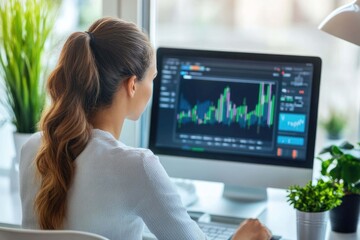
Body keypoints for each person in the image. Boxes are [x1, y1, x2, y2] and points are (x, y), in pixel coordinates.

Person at [19, 17, 272, 240]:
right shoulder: (136, 166)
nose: (153, 87)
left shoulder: (33, 148)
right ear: (131, 85)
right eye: (152, 78)